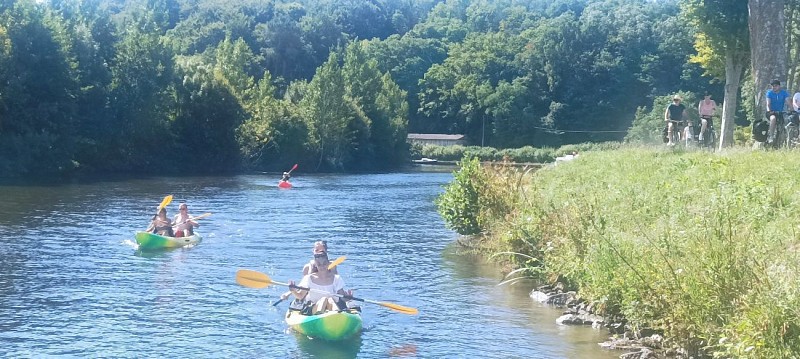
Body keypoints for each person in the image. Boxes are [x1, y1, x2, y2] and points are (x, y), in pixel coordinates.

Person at [287, 251, 353, 315]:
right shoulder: (308, 278)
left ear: (328, 263)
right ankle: (321, 315)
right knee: (324, 299)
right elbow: (300, 296)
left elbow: (342, 298)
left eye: (324, 263)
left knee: (330, 300)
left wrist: (348, 298)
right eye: (319, 264)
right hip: (313, 308)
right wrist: (293, 291)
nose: (322, 266)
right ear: (315, 265)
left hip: (333, 308)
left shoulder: (337, 278)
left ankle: (335, 315)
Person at [765, 79, 791, 144]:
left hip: (780, 112)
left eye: (775, 86)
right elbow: (768, 104)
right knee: (773, 118)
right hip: (771, 112)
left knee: (788, 119)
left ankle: (786, 137)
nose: (774, 87)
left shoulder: (784, 93)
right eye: (773, 86)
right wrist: (769, 111)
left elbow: (789, 102)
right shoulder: (769, 93)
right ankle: (771, 136)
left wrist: (793, 110)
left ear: (779, 86)